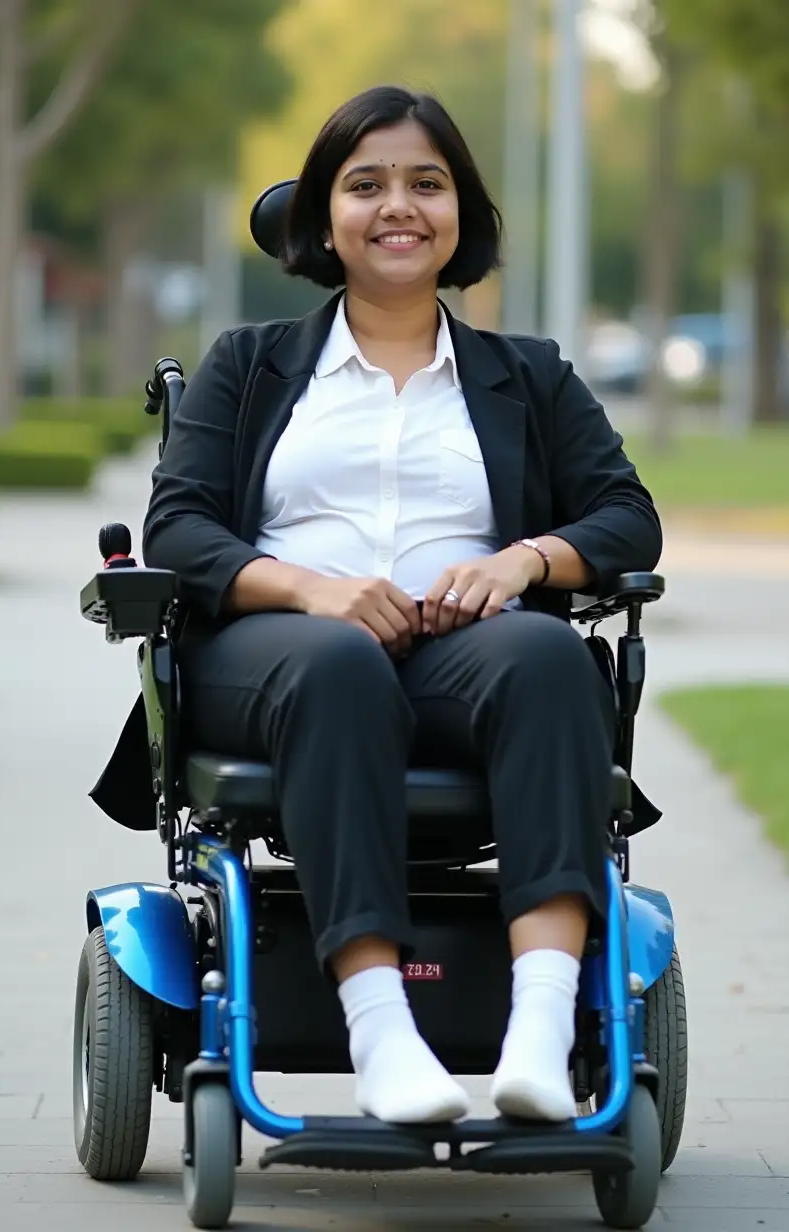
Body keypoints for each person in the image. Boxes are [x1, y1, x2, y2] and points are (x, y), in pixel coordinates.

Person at [141, 86, 662, 1127]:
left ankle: (539, 1029)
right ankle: (380, 1029)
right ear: (321, 218)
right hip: (280, 660)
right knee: (335, 666)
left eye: (426, 183)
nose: (398, 207)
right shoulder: (250, 367)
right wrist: (312, 589)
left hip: (462, 657)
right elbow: (180, 529)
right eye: (365, 184)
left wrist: (526, 561)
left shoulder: (530, 374)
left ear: (459, 210)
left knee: (552, 661)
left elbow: (625, 518)